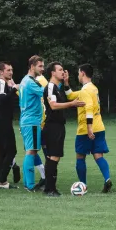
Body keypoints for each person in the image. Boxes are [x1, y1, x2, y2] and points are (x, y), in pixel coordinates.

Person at [65, 64, 113, 192]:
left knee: (80, 156)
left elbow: (89, 108)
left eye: (78, 73)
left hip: (86, 128)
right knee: (98, 155)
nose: (78, 75)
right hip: (100, 126)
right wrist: (66, 83)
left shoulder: (85, 91)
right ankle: (107, 178)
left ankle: (83, 185)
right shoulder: (93, 88)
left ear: (82, 73)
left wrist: (89, 128)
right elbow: (70, 96)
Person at [42, 62, 85, 196]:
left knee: (53, 157)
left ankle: (48, 188)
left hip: (58, 126)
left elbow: (63, 97)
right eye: (60, 70)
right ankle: (50, 189)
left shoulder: (57, 87)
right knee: (53, 157)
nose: (63, 72)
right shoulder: (50, 86)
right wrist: (72, 104)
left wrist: (66, 82)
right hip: (53, 126)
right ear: (52, 73)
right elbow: (53, 106)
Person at [19, 55, 46, 191]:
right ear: (32, 66)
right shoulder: (31, 82)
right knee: (31, 151)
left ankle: (28, 182)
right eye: (40, 66)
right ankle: (29, 185)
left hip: (25, 120)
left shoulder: (24, 81)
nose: (43, 69)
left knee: (32, 151)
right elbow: (46, 93)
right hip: (32, 121)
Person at [0, 61, 20, 189]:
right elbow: (2, 100)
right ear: (1, 72)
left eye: (11, 70)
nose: (11, 72)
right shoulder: (1, 83)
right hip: (2, 121)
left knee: (5, 151)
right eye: (8, 70)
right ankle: (2, 181)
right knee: (11, 150)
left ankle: (2, 180)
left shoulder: (6, 84)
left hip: (4, 120)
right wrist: (14, 89)